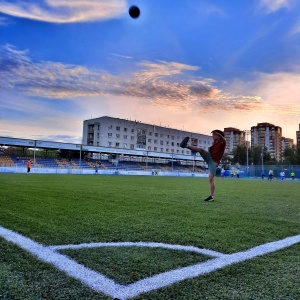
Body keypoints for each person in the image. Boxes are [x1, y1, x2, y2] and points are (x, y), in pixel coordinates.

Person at [180, 130, 226, 202]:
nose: (212, 136)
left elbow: (224, 140)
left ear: (219, 136)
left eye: (214, 134)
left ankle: (211, 196)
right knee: (200, 150)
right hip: (209, 157)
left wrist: (220, 136)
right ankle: (185, 145)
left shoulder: (222, 143)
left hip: (214, 162)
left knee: (211, 178)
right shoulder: (214, 142)